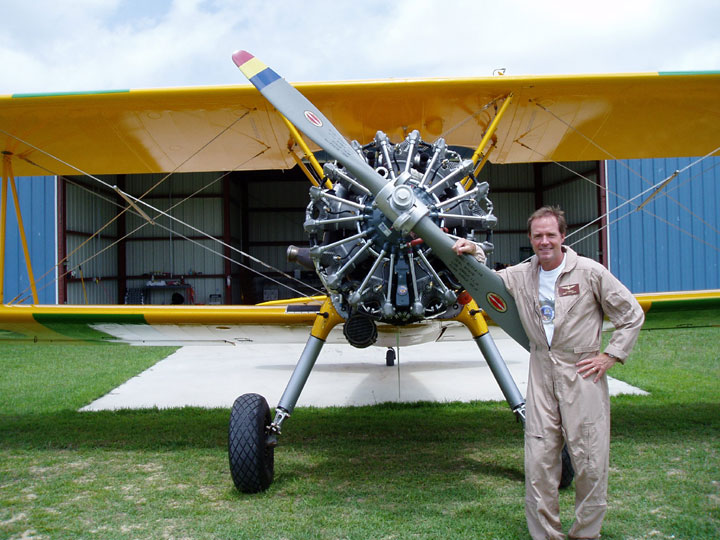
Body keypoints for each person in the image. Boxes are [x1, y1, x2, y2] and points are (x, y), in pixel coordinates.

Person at [453, 206, 644, 540]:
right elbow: (489, 279)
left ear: (562, 236)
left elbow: (631, 313)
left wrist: (611, 355)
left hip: (582, 370)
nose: (544, 242)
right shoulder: (523, 273)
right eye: (538, 236)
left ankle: (586, 533)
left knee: (589, 459)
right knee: (540, 460)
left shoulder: (590, 272)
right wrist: (474, 250)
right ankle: (546, 535)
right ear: (530, 238)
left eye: (550, 235)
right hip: (541, 368)